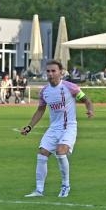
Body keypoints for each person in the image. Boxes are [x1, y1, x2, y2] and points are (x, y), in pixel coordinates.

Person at [21, 60, 94, 198]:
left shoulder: (70, 87)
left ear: (61, 72)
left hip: (69, 127)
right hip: (54, 128)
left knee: (61, 151)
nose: (50, 73)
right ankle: (39, 190)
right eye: (48, 71)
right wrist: (29, 126)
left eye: (53, 71)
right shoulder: (44, 92)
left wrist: (90, 110)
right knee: (42, 153)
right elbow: (40, 110)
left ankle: (66, 186)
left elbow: (86, 100)